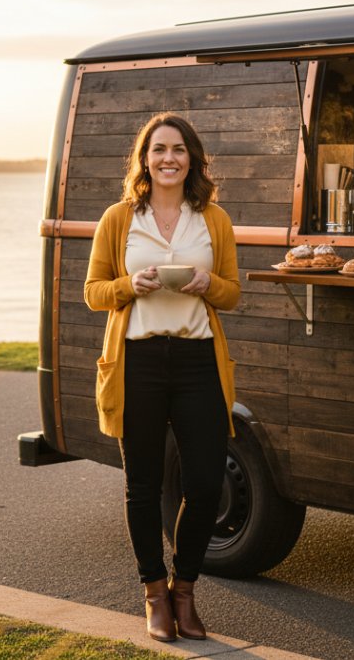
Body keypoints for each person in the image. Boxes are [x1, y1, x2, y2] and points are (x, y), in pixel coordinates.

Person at [83, 112, 240, 642]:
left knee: (202, 482)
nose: (168, 158)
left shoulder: (213, 218)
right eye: (158, 149)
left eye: (178, 149)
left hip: (198, 363)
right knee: (143, 486)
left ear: (191, 158)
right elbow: (93, 292)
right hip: (138, 362)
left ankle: (185, 589)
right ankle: (154, 592)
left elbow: (233, 294)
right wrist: (131, 284)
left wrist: (206, 282)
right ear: (144, 160)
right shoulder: (119, 218)